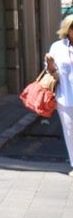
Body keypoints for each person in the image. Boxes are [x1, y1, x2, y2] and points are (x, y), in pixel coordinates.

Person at [44, 15, 73, 175]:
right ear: (67, 30)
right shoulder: (57, 47)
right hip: (66, 97)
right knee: (70, 132)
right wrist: (49, 65)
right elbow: (52, 74)